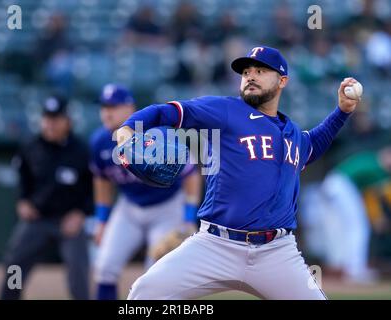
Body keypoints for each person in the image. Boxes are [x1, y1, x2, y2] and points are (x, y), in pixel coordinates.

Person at [116, 46, 360, 300]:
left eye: (261, 70)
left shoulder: (293, 133)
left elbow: (311, 147)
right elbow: (168, 111)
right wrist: (128, 128)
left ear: (282, 81)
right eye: (246, 72)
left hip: (276, 252)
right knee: (144, 294)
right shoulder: (225, 110)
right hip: (215, 245)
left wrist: (341, 112)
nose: (251, 76)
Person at [89, 84, 201, 300]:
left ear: (130, 108)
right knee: (104, 267)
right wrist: (101, 221)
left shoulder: (156, 134)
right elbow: (102, 181)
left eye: (113, 106)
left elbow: (191, 175)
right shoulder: (99, 141)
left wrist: (188, 218)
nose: (106, 112)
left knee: (155, 277)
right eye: (103, 106)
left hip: (166, 208)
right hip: (129, 208)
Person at [0, 95, 92, 300]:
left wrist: (81, 213)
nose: (50, 124)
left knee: (78, 269)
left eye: (56, 119)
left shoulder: (81, 150)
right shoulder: (30, 147)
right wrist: (23, 201)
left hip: (69, 219)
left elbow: (92, 188)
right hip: (38, 218)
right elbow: (22, 179)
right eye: (47, 118)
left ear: (68, 121)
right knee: (15, 263)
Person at [316, 147, 391, 283]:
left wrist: (377, 217)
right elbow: (371, 196)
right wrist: (377, 218)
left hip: (334, 185)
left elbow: (369, 196)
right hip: (341, 185)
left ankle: (349, 267)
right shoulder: (376, 166)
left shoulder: (372, 161)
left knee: (348, 229)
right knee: (358, 228)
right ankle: (355, 270)